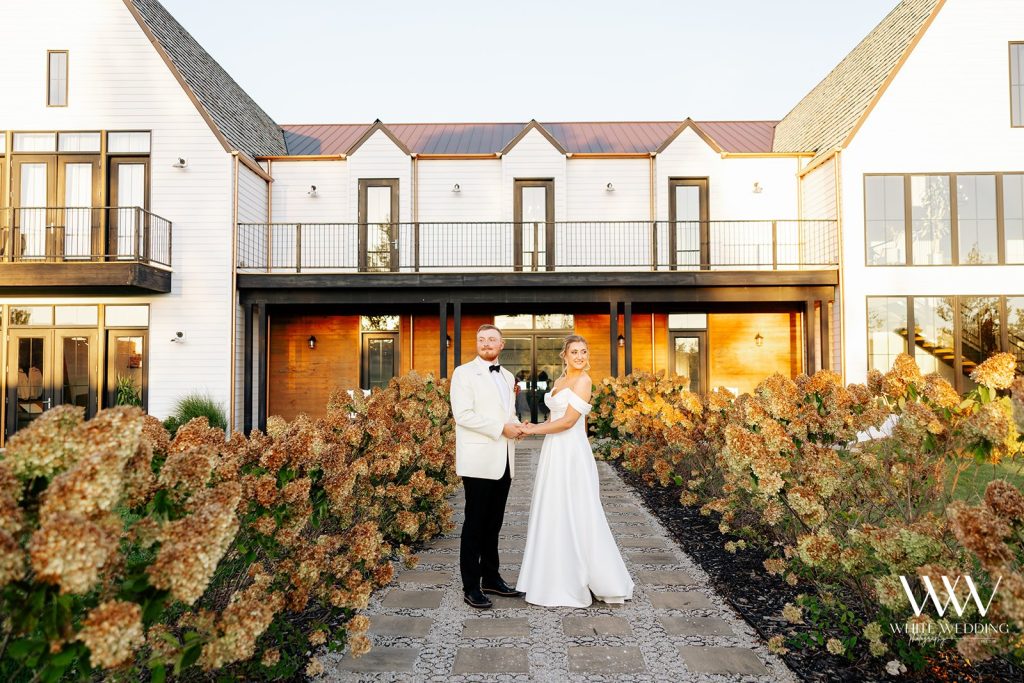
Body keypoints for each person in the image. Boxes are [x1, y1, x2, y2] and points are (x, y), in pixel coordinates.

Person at [516, 334, 634, 607]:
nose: (580, 356)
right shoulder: (558, 382)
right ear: (564, 355)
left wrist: (534, 429)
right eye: (574, 352)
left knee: (577, 510)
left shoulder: (584, 381)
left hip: (571, 452)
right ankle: (550, 576)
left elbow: (568, 422)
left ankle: (583, 577)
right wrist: (530, 424)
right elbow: (554, 416)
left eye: (584, 351)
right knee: (554, 508)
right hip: (553, 452)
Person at [449, 324, 528, 609]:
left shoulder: (507, 376)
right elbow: (463, 415)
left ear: (501, 344)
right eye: (481, 339)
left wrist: (518, 427)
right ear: (477, 343)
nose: (486, 343)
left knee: (494, 524)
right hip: (478, 461)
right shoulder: (463, 373)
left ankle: (491, 578)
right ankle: (471, 586)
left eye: (491, 339)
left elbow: (507, 415)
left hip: (504, 459)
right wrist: (502, 428)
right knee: (474, 525)